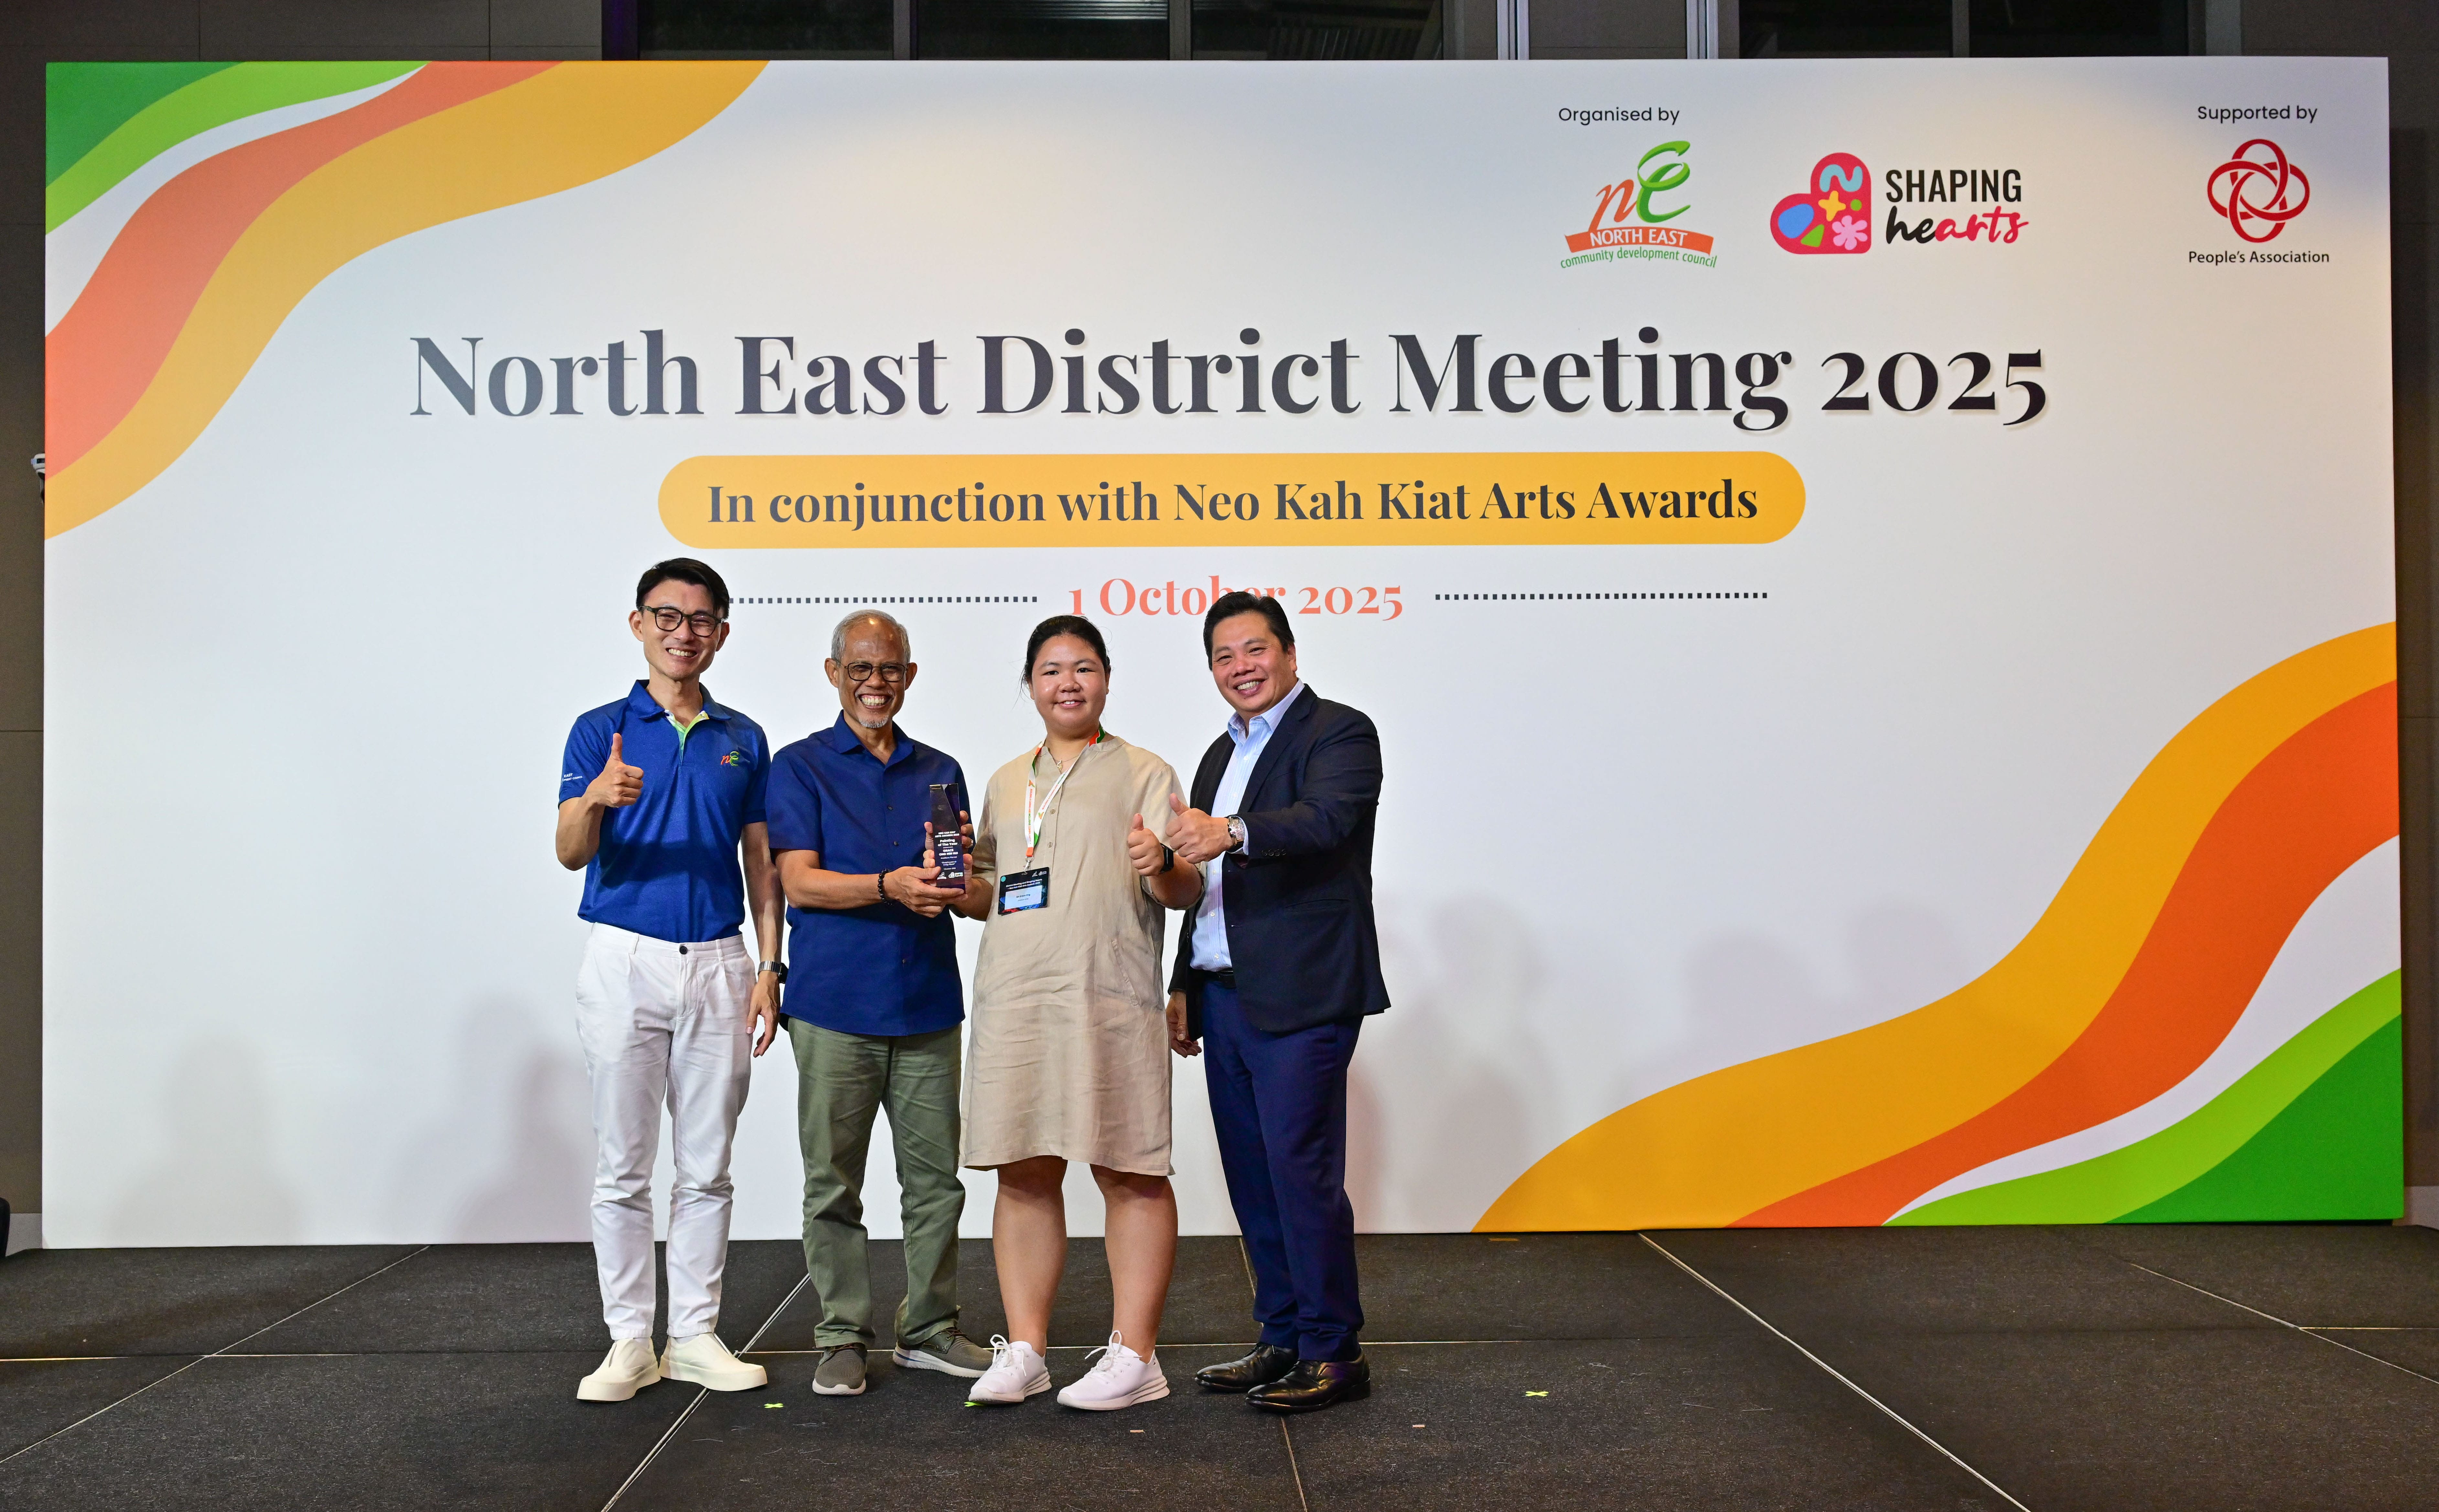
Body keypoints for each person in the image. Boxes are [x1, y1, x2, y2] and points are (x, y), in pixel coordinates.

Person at [953, 617, 1203, 1411]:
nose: (1069, 682)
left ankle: (1137, 1355)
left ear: (1105, 679)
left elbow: (1186, 887)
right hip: (1016, 998)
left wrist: (1160, 863)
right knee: (1023, 1168)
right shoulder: (1002, 781)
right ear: (1029, 683)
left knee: (1129, 1167)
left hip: (1108, 996)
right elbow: (989, 889)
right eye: (1052, 669)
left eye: (1084, 668)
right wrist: (953, 883)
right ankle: (1027, 1348)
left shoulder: (1143, 771)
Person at [556, 558, 782, 1404]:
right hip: (624, 956)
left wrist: (770, 964)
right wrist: (597, 798)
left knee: (707, 1163)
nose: (683, 630)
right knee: (623, 1163)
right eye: (667, 614)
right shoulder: (600, 728)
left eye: (700, 618)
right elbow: (569, 849)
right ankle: (628, 1339)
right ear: (638, 623)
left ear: (721, 631)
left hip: (721, 959)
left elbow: (761, 861)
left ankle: (691, 1332)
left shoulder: (743, 736)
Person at [1166, 591, 1388, 1413]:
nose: (1240, 668)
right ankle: (1283, 1333)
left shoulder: (1340, 731)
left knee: (1302, 1172)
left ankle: (1334, 1352)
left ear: (1289, 653)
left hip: (1303, 992)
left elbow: (1326, 820)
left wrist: (1233, 831)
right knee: (1253, 1175)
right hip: (1223, 993)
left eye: (1254, 650)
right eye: (1224, 657)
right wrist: (1183, 983)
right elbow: (1200, 889)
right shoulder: (1218, 755)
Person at [765, 609, 995, 1397]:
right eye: (860, 668)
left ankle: (928, 1328)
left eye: (889, 669)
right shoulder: (798, 766)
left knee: (936, 1184)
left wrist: (958, 884)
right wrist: (890, 885)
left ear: (910, 676)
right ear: (833, 673)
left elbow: (967, 885)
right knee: (833, 1183)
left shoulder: (941, 770)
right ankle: (842, 1335)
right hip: (833, 1007)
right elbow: (798, 880)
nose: (875, 683)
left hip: (928, 1002)